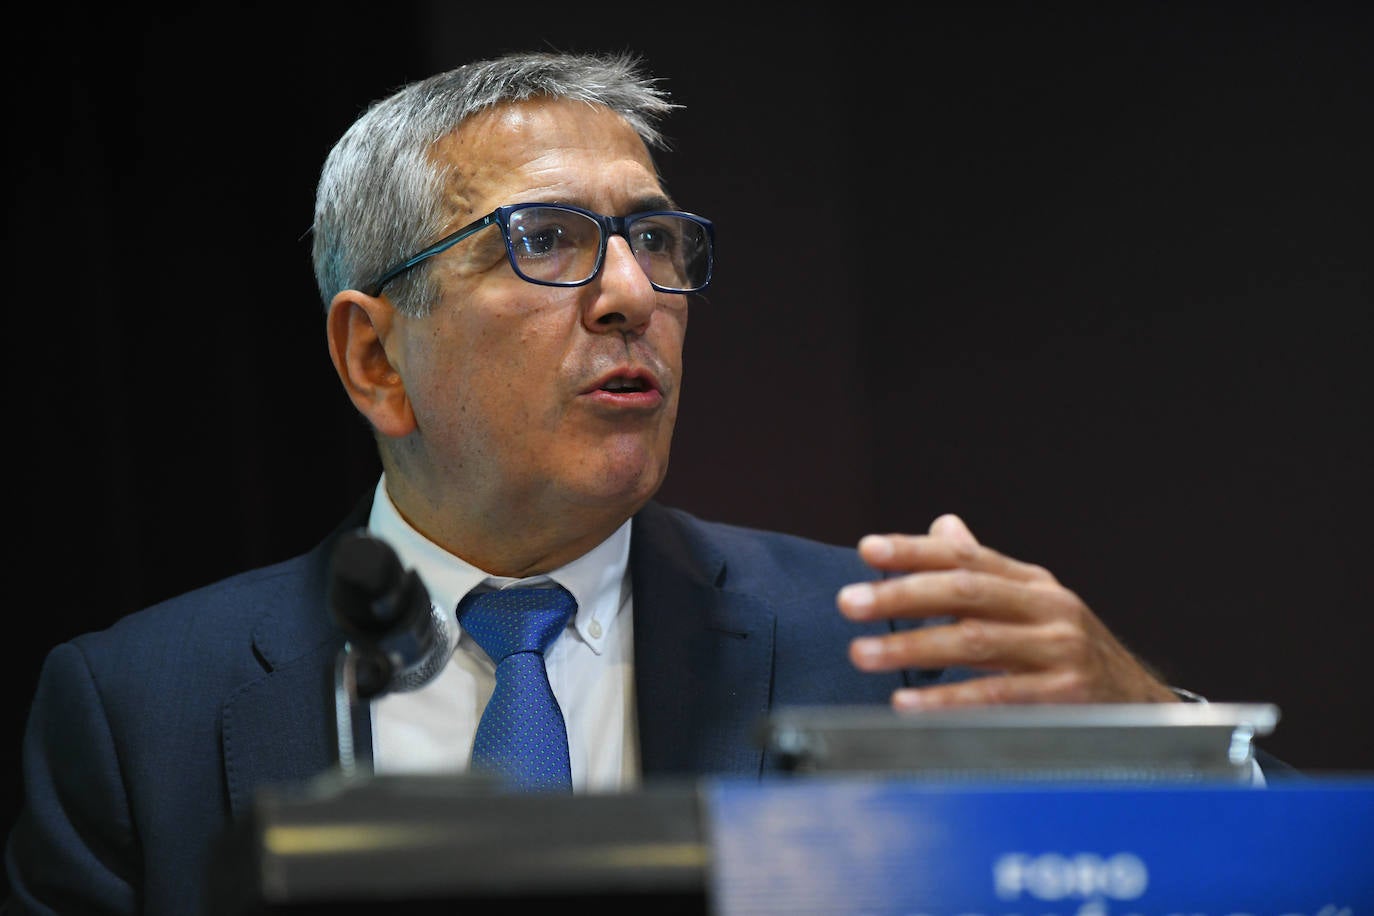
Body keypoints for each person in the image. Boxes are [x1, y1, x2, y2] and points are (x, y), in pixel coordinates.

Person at [2, 49, 1290, 915]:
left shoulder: (885, 646)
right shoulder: (136, 713)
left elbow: (1286, 892)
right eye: (547, 240)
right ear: (373, 355)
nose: (633, 295)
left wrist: (1157, 733)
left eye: (657, 240)